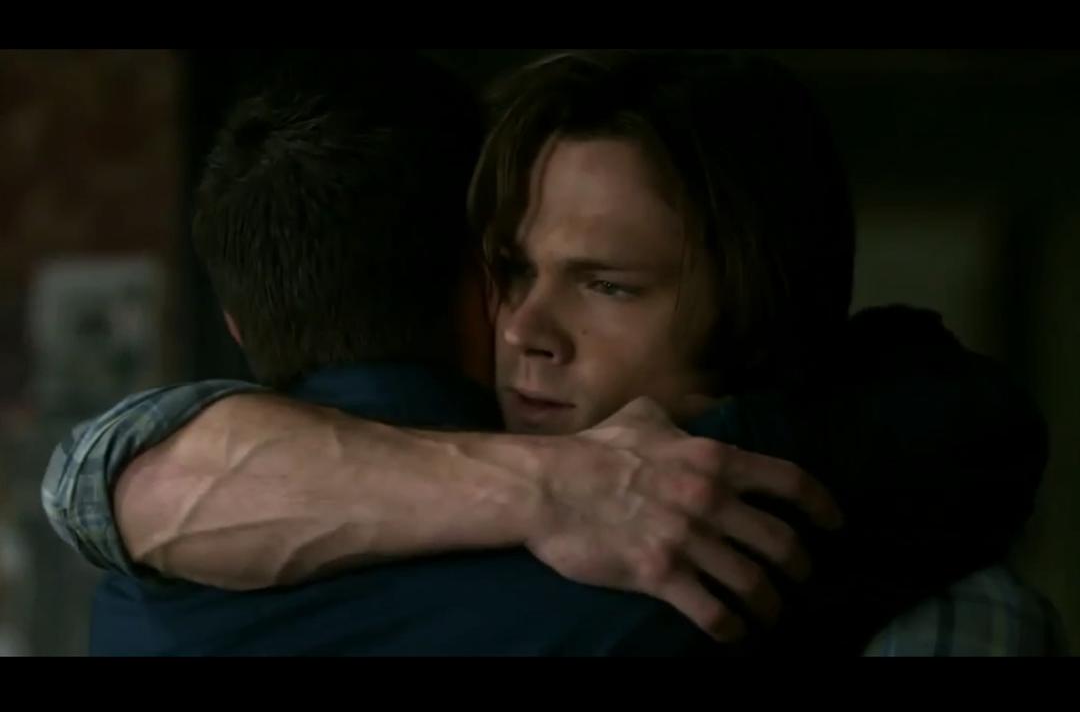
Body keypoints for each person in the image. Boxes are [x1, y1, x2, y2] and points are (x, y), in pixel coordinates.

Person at [45, 50, 1062, 655]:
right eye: (511, 270)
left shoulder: (929, 598)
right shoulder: (240, 536)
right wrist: (547, 485)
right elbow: (101, 473)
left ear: (759, 302)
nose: (523, 328)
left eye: (608, 284)